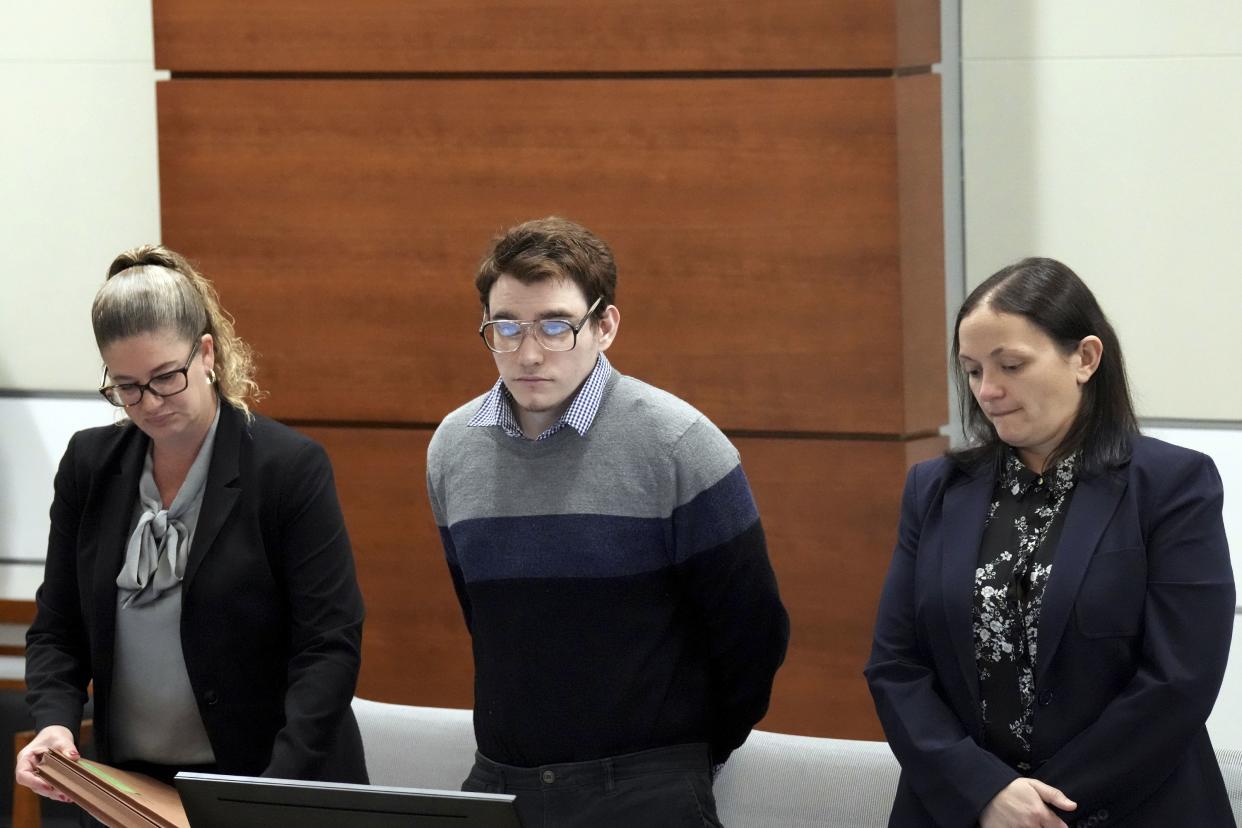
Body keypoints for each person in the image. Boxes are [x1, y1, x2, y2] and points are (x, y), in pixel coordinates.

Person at [426, 216, 789, 826]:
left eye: (556, 326)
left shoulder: (679, 443)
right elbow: (489, 622)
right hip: (501, 780)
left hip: (645, 787)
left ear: (605, 326)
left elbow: (753, 637)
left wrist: (681, 760)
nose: (529, 352)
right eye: (507, 328)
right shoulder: (452, 447)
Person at [865, 257, 1235, 827]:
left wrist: (1043, 807)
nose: (987, 391)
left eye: (1010, 365)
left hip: (1134, 805)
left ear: (1084, 358)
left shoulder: (1171, 485)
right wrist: (986, 793)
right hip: (965, 810)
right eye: (971, 370)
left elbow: (1179, 679)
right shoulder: (934, 489)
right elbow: (896, 665)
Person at [17, 245, 368, 809]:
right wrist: (55, 724)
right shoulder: (90, 465)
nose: (149, 403)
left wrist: (271, 793)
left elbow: (328, 647)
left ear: (205, 353)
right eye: (126, 387)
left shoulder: (285, 468)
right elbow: (58, 628)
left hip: (268, 779)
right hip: (130, 788)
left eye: (165, 377)